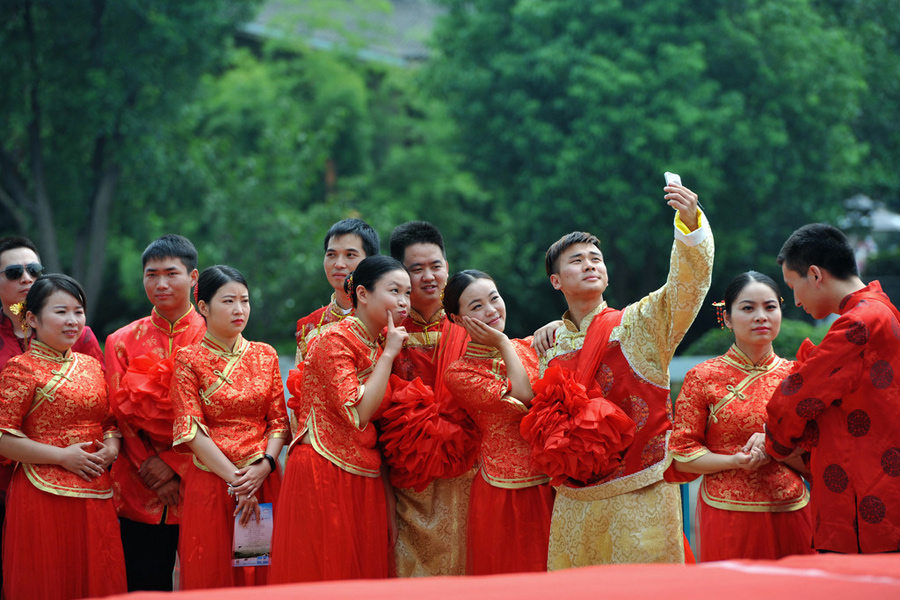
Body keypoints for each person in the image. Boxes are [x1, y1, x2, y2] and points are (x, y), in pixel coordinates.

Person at [525, 180, 714, 568]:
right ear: (555, 282)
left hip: (639, 491)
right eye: (576, 260)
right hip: (573, 501)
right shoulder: (547, 346)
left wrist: (691, 222)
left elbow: (687, 287)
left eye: (596, 258)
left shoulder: (640, 323)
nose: (590, 264)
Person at [270, 255, 410, 582]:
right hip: (323, 470)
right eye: (394, 291)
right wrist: (389, 355)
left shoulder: (377, 343)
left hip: (364, 473)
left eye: (407, 293)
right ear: (362, 293)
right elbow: (358, 413)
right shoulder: (334, 339)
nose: (403, 302)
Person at [762, 223, 900, 554]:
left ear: (815, 274)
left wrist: (774, 440)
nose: (794, 301)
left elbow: (796, 396)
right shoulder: (881, 310)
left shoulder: (860, 322)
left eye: (793, 286)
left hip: (864, 502)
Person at [668, 271, 813, 561]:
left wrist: (775, 448)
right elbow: (682, 452)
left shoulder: (798, 375)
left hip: (792, 506)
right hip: (727, 511)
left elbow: (818, 454)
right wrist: (734, 461)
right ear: (728, 318)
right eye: (748, 308)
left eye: (770, 307)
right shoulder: (703, 377)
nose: (761, 316)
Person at [0, 274, 126, 599]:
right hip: (41, 495)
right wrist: (62, 456)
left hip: (96, 490)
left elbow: (110, 421)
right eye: (61, 312)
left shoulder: (91, 365)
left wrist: (111, 449)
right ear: (32, 318)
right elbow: (3, 437)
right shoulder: (20, 368)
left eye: (78, 311)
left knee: (97, 578)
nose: (73, 321)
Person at [171, 265, 289, 589]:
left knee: (264, 572)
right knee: (211, 572)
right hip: (213, 479)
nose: (239, 310)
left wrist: (264, 466)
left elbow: (279, 421)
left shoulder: (265, 355)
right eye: (228, 301)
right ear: (203, 307)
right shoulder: (188, 359)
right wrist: (238, 482)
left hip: (263, 479)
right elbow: (190, 430)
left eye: (245, 300)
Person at [104, 234, 206, 591]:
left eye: (171, 273)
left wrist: (176, 466)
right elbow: (118, 412)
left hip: (202, 482)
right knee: (143, 583)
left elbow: (222, 413)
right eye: (151, 274)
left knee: (209, 581)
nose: (160, 283)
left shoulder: (217, 333)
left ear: (194, 278)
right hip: (139, 485)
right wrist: (154, 469)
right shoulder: (120, 340)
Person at [378, 221, 478, 577]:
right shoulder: (383, 333)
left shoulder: (473, 322)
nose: (429, 276)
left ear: (448, 267)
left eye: (436, 266)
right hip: (408, 480)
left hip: (467, 472)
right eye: (415, 269)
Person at [442, 270, 553, 575]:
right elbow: (523, 398)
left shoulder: (529, 346)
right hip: (505, 493)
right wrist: (504, 343)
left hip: (555, 483)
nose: (491, 310)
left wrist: (558, 325)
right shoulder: (460, 373)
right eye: (476, 306)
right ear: (457, 319)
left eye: (494, 299)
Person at [290, 218, 379, 431]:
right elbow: (299, 397)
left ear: (370, 261)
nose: (338, 264)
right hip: (319, 442)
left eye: (350, 255)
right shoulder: (309, 326)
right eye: (331, 255)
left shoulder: (385, 322)